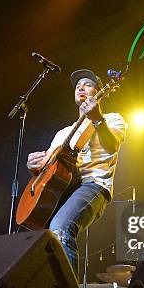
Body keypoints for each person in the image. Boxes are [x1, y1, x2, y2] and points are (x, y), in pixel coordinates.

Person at [26, 69, 127, 274]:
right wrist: (34, 167)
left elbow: (112, 145)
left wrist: (98, 119)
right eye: (78, 85)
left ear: (100, 92)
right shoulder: (63, 133)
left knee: (61, 229)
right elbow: (50, 169)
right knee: (35, 244)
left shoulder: (112, 119)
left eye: (88, 84)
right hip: (63, 190)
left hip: (93, 185)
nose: (81, 87)